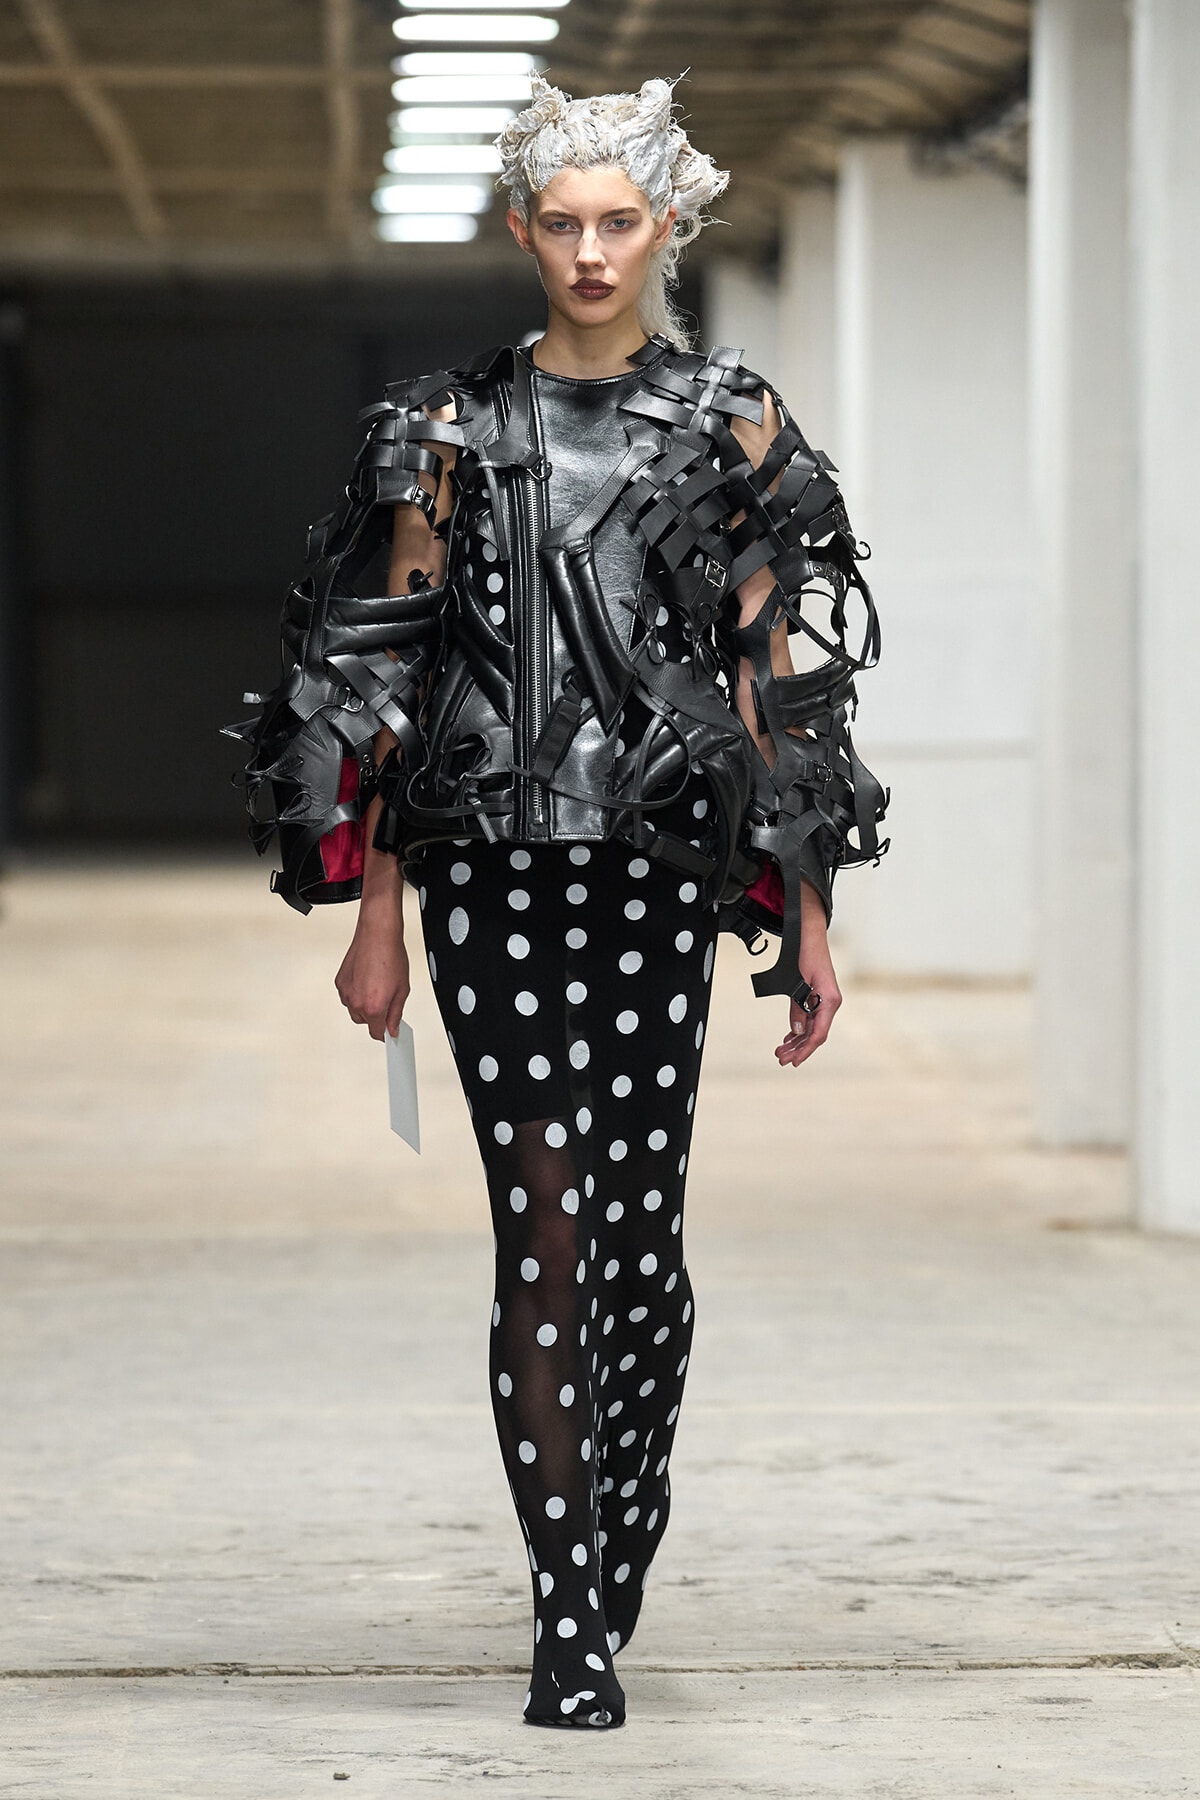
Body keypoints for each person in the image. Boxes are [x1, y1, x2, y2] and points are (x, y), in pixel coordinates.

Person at [229, 74, 886, 1730]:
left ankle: (615, 1531)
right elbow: (389, 671)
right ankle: (567, 1620)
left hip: (661, 873)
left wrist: (805, 904)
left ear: (668, 228)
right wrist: (378, 907)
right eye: (565, 223)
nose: (592, 252)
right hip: (486, 865)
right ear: (524, 231)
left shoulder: (731, 420)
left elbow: (769, 677)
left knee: (642, 1241)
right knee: (546, 1225)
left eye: (622, 222)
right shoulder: (445, 429)